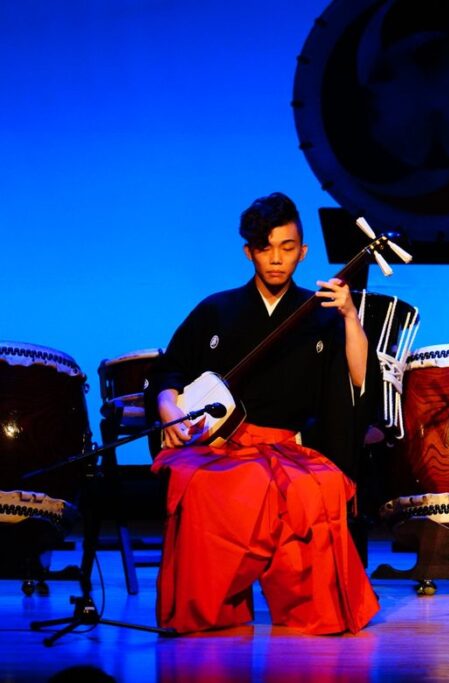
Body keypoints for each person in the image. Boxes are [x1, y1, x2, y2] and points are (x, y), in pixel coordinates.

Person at [147, 192, 379, 635]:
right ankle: (209, 610)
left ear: (303, 252)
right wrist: (167, 405)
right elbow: (169, 368)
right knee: (200, 484)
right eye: (265, 248)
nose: (276, 259)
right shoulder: (216, 309)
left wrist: (351, 317)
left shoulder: (322, 315)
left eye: (287, 248)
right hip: (220, 444)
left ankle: (311, 610)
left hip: (287, 447)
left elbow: (356, 377)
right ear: (248, 252)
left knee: (318, 488)